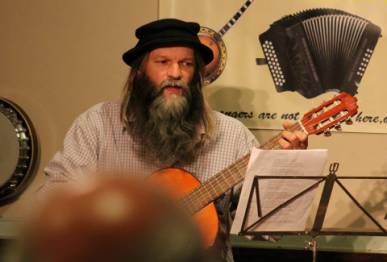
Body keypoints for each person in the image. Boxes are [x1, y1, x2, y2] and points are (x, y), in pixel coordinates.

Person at [42, 18, 308, 262]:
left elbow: (269, 229)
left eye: (186, 63)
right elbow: (52, 202)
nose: (175, 73)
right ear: (139, 72)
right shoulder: (96, 125)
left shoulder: (232, 135)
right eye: (162, 62)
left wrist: (286, 168)